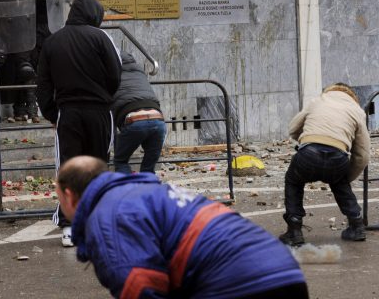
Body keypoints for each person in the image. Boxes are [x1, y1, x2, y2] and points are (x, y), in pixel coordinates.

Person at [56, 156, 309, 299]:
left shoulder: (107, 217)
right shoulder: (145, 192)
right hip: (284, 270)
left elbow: (139, 286)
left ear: (67, 195)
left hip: (238, 283)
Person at [36, 0, 121, 246]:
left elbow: (43, 85)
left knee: (69, 168)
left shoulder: (52, 42)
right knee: (98, 166)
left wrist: (53, 114)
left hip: (69, 113)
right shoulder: (101, 37)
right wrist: (104, 98)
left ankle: (68, 226)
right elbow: (115, 75)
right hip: (99, 112)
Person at [280, 82, 370, 246]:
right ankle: (357, 226)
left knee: (293, 181)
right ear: (352, 97)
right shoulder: (357, 111)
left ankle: (294, 230)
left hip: (308, 154)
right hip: (338, 156)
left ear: (330, 91)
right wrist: (347, 177)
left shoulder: (318, 101)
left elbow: (293, 128)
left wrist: (308, 138)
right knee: (340, 182)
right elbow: (363, 155)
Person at [111, 51, 167, 174]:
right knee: (149, 167)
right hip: (158, 119)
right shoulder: (139, 71)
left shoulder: (111, 73)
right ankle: (148, 184)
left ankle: (127, 185)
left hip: (134, 119)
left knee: (121, 161)